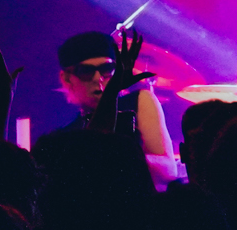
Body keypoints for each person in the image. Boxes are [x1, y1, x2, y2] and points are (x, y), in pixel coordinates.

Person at [40, 29, 174, 183]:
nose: (98, 78)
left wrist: (117, 157)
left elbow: (168, 169)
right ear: (67, 78)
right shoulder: (67, 134)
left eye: (106, 69)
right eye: (86, 71)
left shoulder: (138, 101)